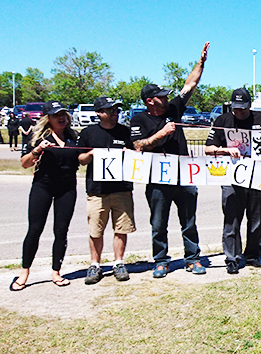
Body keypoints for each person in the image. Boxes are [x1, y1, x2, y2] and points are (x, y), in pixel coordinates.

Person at [130, 42, 209, 278]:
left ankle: (192, 258)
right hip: (157, 178)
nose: (166, 98)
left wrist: (201, 62)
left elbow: (190, 84)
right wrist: (160, 135)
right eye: (160, 96)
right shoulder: (139, 121)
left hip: (183, 174)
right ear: (149, 101)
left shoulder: (174, 109)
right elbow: (138, 146)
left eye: (165, 95)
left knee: (188, 220)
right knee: (158, 223)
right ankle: (161, 260)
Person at [10, 101, 81, 291]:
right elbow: (25, 164)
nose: (61, 118)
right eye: (56, 115)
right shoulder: (39, 137)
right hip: (43, 186)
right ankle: (24, 272)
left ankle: (56, 272)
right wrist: (37, 149)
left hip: (67, 188)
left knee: (61, 230)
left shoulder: (73, 137)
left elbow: (82, 159)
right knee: (35, 229)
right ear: (47, 118)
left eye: (64, 114)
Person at [204, 88, 261, 274]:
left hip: (256, 177)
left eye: (242, 108)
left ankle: (253, 254)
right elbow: (208, 149)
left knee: (257, 219)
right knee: (232, 218)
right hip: (231, 178)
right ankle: (232, 258)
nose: (239, 112)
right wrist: (226, 150)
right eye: (236, 108)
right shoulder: (222, 121)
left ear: (250, 105)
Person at [77, 97, 137, 285]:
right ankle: (95, 264)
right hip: (97, 191)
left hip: (122, 189)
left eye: (117, 111)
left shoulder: (125, 132)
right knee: (96, 229)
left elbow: (137, 156)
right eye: (110, 111)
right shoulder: (88, 133)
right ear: (99, 113)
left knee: (121, 228)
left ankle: (118, 262)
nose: (115, 114)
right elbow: (80, 159)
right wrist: (91, 154)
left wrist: (130, 154)